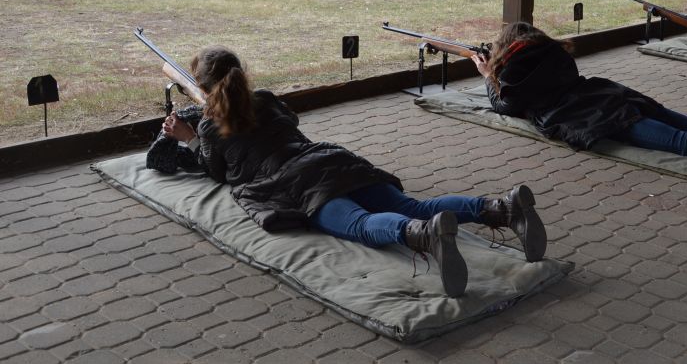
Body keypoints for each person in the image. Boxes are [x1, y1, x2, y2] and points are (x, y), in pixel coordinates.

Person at [160, 46, 547, 298]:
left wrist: (188, 137)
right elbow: (290, 120)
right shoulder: (264, 99)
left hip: (297, 185)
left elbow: (214, 173)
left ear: (201, 87)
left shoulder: (211, 126)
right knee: (414, 203)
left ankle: (421, 237)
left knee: (362, 224)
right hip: (330, 160)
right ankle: (500, 208)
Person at [471, 22, 687, 189]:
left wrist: (489, 75)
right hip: (611, 95)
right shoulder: (551, 50)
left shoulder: (513, 71)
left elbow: (507, 105)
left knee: (685, 144)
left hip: (600, 115)